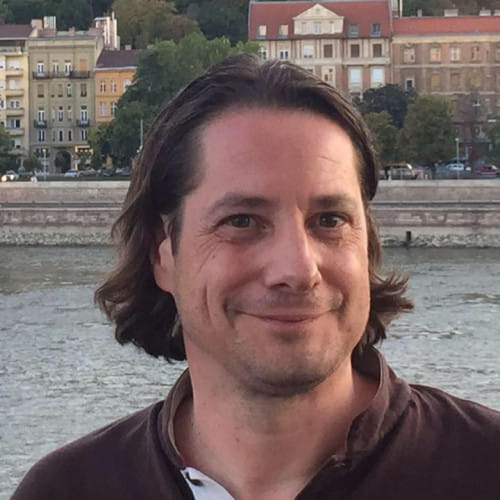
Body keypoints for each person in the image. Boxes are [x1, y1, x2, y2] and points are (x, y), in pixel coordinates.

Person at [12, 54, 500, 500]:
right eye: (242, 221)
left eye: (330, 220)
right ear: (163, 252)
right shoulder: (66, 490)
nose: (298, 270)